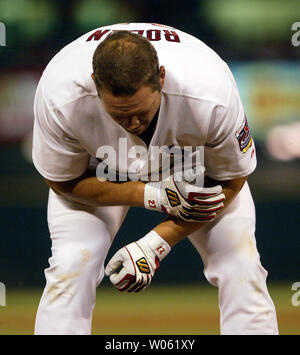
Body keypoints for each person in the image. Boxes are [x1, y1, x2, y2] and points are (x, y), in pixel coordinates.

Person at [32, 23, 278, 335]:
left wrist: (156, 242)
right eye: (120, 115)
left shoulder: (209, 91)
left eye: (140, 112)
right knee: (69, 269)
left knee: (242, 266)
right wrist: (151, 195)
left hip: (192, 163)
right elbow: (63, 181)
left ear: (161, 77)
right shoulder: (59, 94)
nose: (133, 122)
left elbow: (231, 179)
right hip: (99, 168)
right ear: (95, 84)